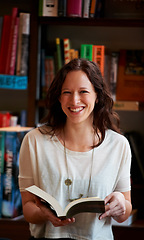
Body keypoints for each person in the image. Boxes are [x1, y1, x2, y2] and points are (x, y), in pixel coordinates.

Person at [18, 58, 132, 240]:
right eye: (67, 92)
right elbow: (28, 207)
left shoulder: (119, 145)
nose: (75, 100)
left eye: (83, 91)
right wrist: (43, 213)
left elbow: (124, 212)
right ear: (59, 97)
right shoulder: (35, 141)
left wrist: (120, 205)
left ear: (97, 96)